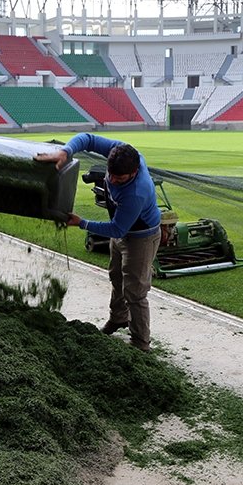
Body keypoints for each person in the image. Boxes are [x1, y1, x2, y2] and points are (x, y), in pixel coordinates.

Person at [35, 133, 162, 352]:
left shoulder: (136, 192)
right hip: (122, 231)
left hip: (141, 237)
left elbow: (117, 229)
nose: (112, 181)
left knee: (135, 291)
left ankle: (141, 343)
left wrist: (82, 223)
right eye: (111, 175)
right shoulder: (120, 153)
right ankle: (119, 318)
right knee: (116, 276)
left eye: (119, 179)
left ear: (133, 173)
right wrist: (65, 151)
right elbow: (88, 139)